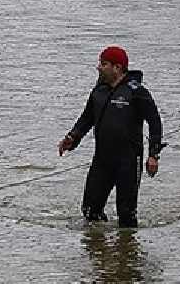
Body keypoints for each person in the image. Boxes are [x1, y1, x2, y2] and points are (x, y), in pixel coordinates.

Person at [57, 46, 163, 228]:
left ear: (117, 67)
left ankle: (127, 252)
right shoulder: (99, 91)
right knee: (90, 211)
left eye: (103, 64)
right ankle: (99, 249)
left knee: (126, 215)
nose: (98, 67)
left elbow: (155, 123)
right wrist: (72, 138)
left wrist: (153, 155)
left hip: (129, 161)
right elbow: (86, 119)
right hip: (102, 160)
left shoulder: (137, 91)